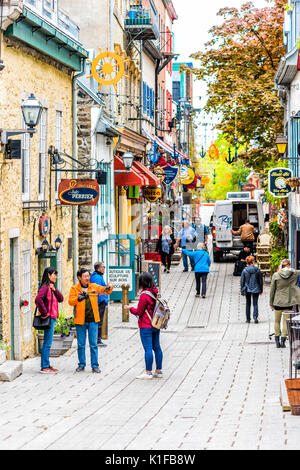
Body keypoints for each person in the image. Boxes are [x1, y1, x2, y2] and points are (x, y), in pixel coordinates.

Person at [68, 268, 113, 373]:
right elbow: (70, 301)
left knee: (93, 344)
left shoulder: (93, 287)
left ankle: (95, 365)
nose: (87, 278)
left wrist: (110, 286)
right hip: (80, 321)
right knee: (81, 344)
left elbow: (105, 290)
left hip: (93, 320)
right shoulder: (75, 289)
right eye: (85, 276)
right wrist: (78, 299)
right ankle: (81, 364)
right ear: (79, 277)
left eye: (88, 276)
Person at [124, 272, 163, 380]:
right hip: (156, 323)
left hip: (146, 325)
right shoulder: (155, 292)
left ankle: (148, 372)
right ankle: (159, 371)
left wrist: (129, 308)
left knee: (148, 349)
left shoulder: (144, 295)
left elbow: (139, 311)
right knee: (157, 347)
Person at [35, 267, 64, 374]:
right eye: (54, 274)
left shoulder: (51, 287)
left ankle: (46, 364)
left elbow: (61, 299)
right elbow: (38, 299)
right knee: (47, 343)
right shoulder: (45, 287)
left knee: (48, 342)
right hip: (49, 318)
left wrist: (54, 289)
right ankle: (44, 366)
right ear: (48, 275)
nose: (55, 276)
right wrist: (44, 313)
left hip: (53, 317)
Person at [270, 259, 300, 348]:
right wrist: (291, 270)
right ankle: (283, 341)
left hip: (278, 301)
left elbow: (272, 290)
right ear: (289, 265)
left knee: (277, 321)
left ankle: (277, 341)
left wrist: (271, 303)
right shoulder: (294, 274)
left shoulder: (276, 275)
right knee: (286, 322)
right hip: (288, 301)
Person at [90, 261, 109, 347]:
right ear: (99, 268)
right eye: (104, 267)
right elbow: (98, 292)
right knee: (98, 322)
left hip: (99, 303)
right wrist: (103, 301)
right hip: (99, 303)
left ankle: (97, 339)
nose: (104, 269)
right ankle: (97, 340)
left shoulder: (97, 276)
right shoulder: (97, 277)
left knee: (98, 321)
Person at [240, 256, 263, 324]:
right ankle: (255, 316)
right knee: (255, 303)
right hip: (256, 288)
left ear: (247, 262)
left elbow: (242, 281)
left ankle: (248, 319)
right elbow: (260, 281)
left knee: (248, 303)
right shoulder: (257, 270)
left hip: (247, 289)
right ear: (253, 261)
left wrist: (242, 289)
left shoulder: (244, 270)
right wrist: (261, 290)